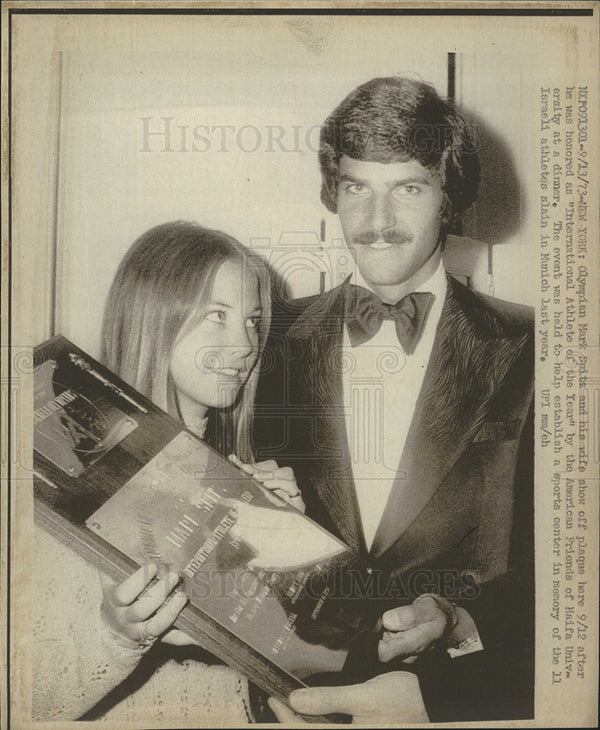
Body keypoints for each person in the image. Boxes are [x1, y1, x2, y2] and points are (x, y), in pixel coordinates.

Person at [255, 76, 534, 722]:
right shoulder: (266, 340)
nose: (376, 224)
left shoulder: (540, 348)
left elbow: (566, 590)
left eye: (407, 189)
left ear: (448, 197)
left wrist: (460, 620)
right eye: (357, 189)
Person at [33, 221, 303, 723]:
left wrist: (290, 551)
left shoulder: (231, 465)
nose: (246, 344)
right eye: (217, 316)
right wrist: (116, 634)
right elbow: (25, 698)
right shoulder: (70, 478)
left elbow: (269, 650)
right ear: (153, 319)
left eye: (252, 320)